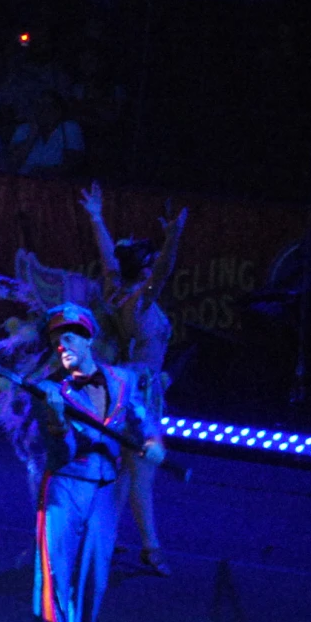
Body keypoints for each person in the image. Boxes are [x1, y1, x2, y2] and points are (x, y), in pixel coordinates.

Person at [16, 305, 163, 622]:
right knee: (54, 578)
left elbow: (140, 417)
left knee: (92, 576)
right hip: (65, 484)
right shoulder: (49, 390)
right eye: (55, 340)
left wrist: (150, 441)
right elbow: (61, 451)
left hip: (107, 487)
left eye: (68, 337)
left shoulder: (122, 379)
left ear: (87, 339)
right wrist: (57, 419)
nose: (61, 346)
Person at [79, 185, 187, 575]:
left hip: (126, 388)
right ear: (143, 270)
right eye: (150, 261)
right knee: (142, 472)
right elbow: (165, 269)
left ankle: (99, 533)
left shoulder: (116, 290)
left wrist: (96, 217)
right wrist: (173, 236)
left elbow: (109, 257)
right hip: (138, 393)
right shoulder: (140, 300)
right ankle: (151, 548)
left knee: (125, 469)